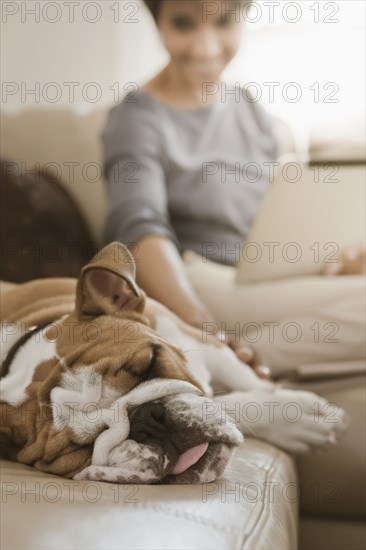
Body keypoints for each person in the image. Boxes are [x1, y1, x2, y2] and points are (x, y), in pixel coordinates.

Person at [102, 0, 365, 377]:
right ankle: (218, 358)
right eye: (183, 24)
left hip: (261, 280)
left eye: (224, 22)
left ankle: (236, 367)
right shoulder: (137, 117)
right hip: (194, 282)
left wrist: (336, 260)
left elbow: (283, 217)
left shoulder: (249, 109)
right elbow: (137, 228)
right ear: (157, 21)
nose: (205, 48)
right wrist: (201, 325)